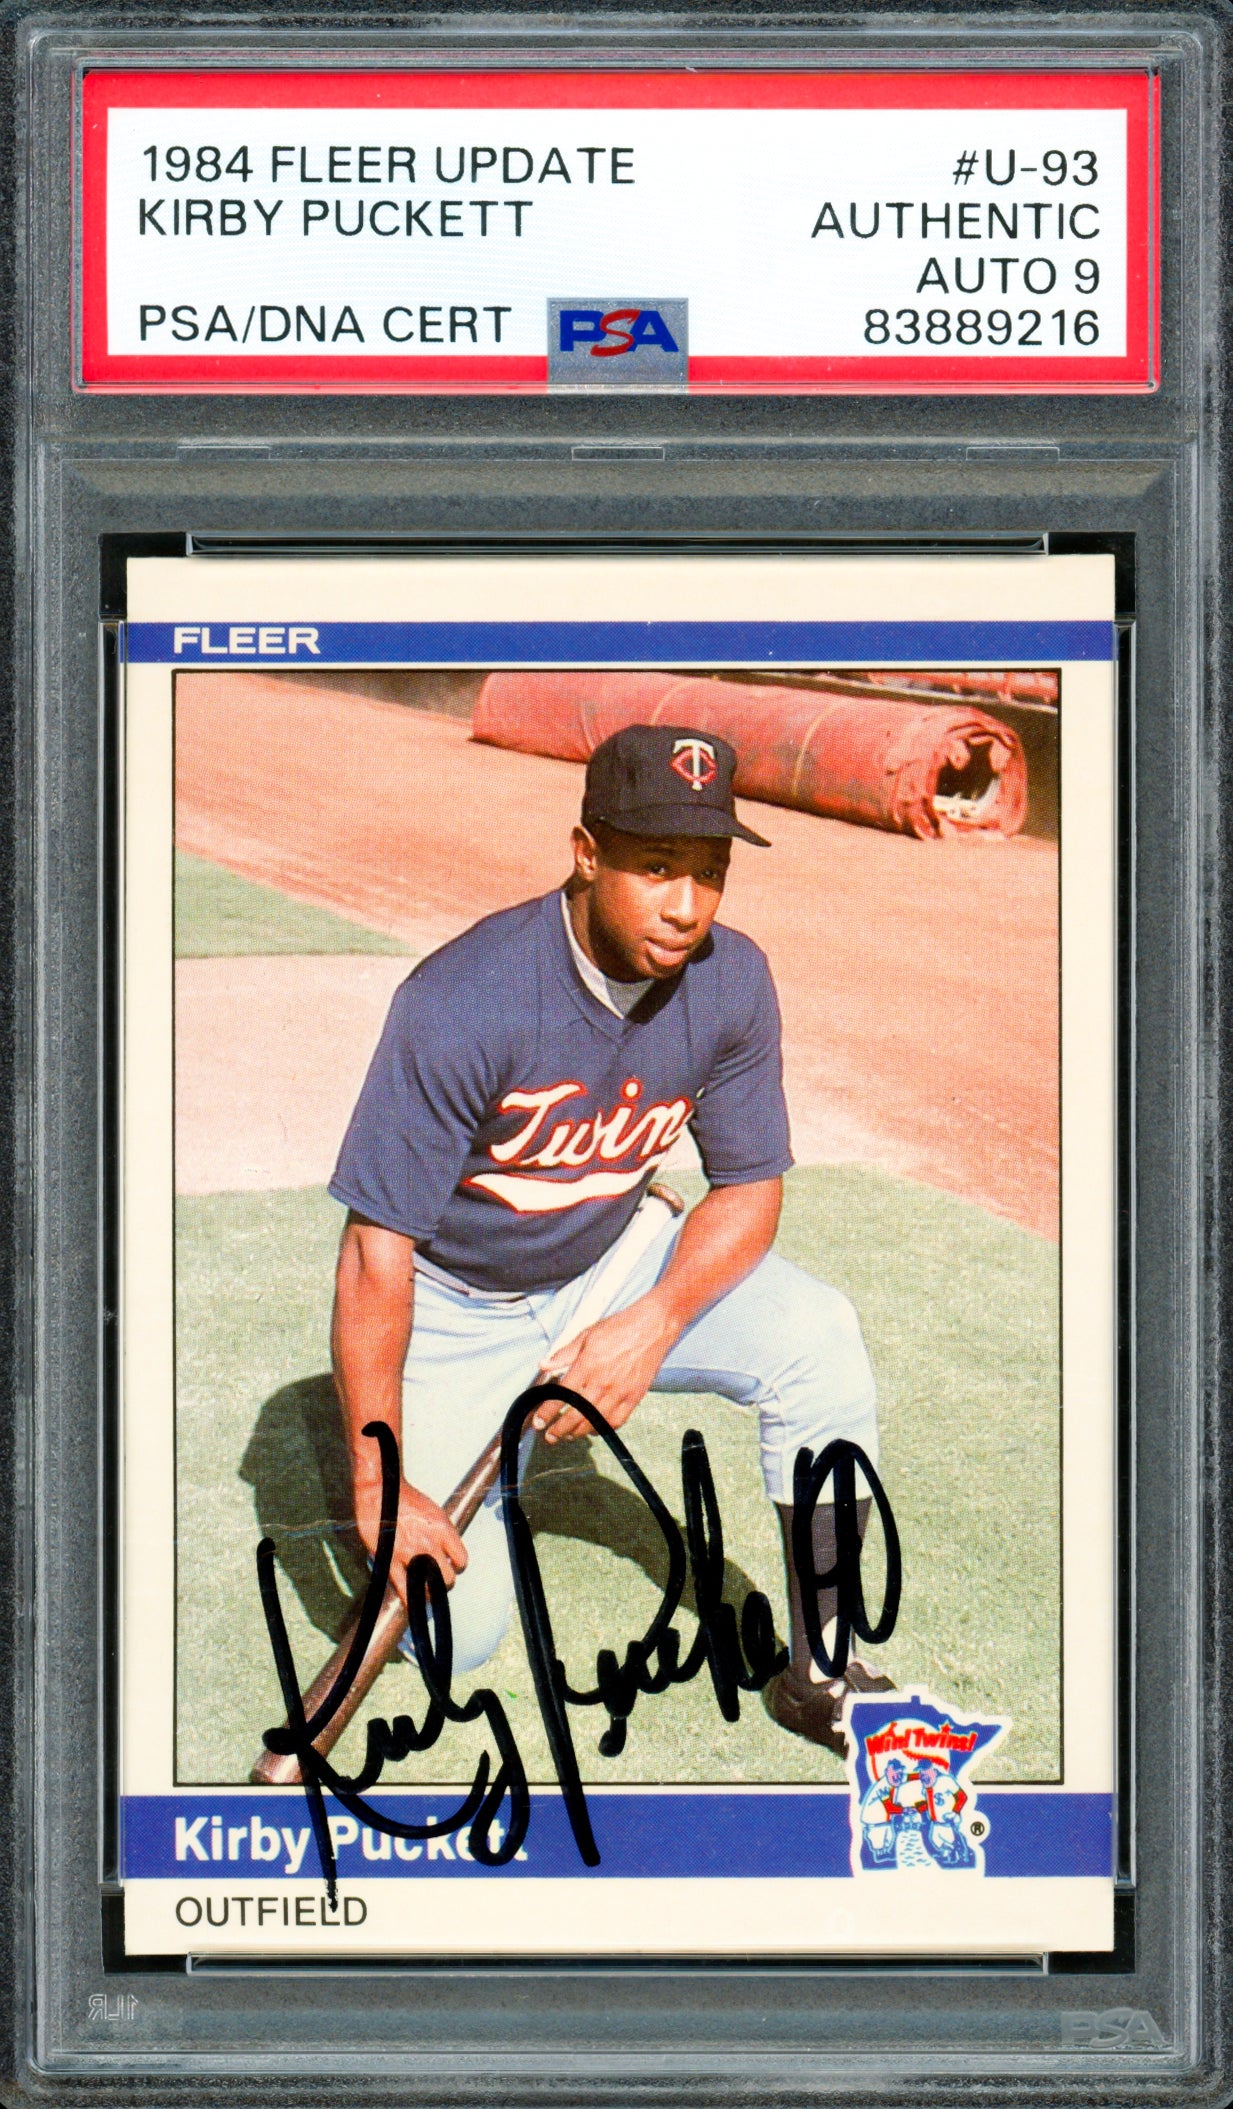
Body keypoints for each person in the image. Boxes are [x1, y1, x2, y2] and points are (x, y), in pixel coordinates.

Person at [327, 722, 891, 1755]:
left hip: (612, 1262)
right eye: (657, 866)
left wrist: (651, 1322)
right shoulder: (463, 998)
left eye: (710, 871)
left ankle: (823, 1667)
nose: (686, 905)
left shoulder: (732, 979)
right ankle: (407, 1461)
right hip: (457, 1305)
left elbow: (749, 1191)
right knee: (460, 1636)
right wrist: (378, 1477)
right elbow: (375, 1253)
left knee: (818, 1337)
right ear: (586, 853)